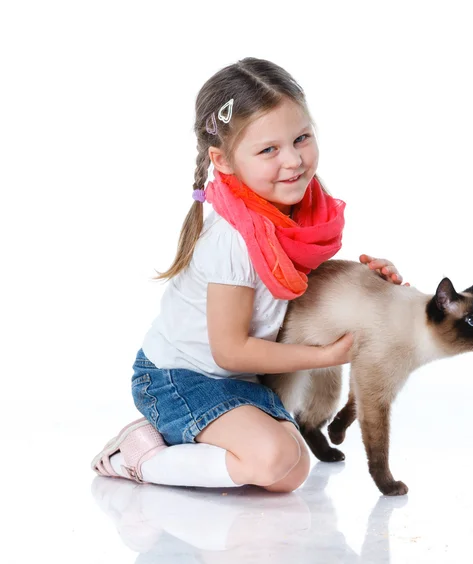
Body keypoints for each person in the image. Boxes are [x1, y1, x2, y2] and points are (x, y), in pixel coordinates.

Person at [91, 57, 407, 493]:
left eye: (301, 138)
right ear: (222, 160)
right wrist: (325, 357)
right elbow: (230, 351)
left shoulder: (301, 212)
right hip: (179, 377)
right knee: (280, 465)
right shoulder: (234, 240)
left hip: (244, 379)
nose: (294, 160)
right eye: (268, 150)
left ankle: (191, 433)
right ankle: (139, 456)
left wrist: (367, 283)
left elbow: (298, 292)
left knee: (288, 462)